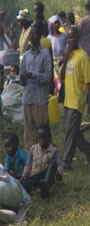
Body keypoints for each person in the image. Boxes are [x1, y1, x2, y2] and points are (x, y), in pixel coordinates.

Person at [60, 27, 90, 170]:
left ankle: (66, 162)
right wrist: (65, 58)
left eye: (74, 37)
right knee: (74, 131)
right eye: (69, 37)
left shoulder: (82, 56)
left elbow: (89, 81)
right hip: (68, 99)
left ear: (78, 38)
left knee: (70, 130)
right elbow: (62, 76)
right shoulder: (69, 55)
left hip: (77, 99)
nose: (71, 40)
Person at [20, 23, 52, 153]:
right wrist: (23, 78)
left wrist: (33, 75)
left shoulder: (45, 54)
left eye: (34, 34)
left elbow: (48, 77)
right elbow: (21, 78)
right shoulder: (26, 56)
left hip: (40, 99)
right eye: (30, 34)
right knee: (29, 132)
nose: (32, 36)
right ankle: (30, 157)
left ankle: (46, 155)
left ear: (39, 36)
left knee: (42, 129)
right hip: (27, 98)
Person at [21, 124, 63, 198]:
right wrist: (24, 175)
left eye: (44, 138)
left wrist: (59, 173)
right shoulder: (33, 149)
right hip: (35, 175)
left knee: (53, 163)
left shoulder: (53, 150)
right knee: (24, 183)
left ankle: (45, 186)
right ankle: (39, 189)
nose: (42, 140)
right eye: (40, 138)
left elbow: (59, 164)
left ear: (49, 137)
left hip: (47, 175)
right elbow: (28, 164)